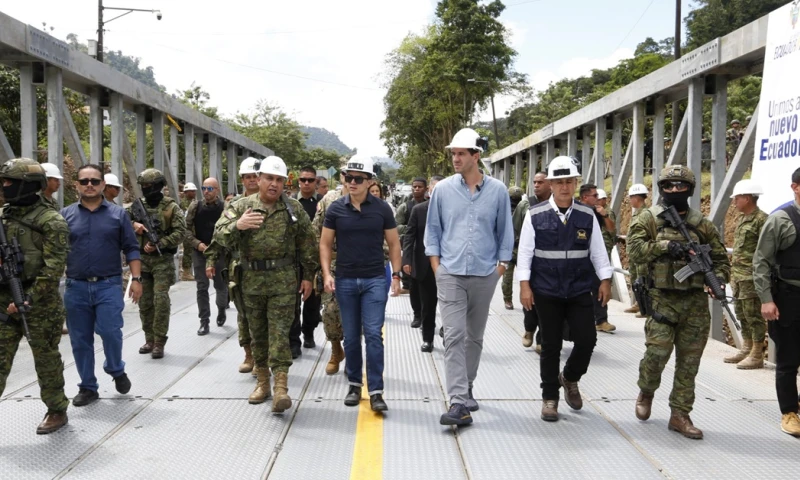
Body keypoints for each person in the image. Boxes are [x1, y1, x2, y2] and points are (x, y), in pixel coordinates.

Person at [628, 165, 730, 439]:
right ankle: (646, 390)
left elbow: (721, 260)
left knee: (689, 363)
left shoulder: (703, 224)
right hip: (662, 299)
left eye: (680, 186)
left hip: (695, 303)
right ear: (661, 189)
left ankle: (680, 414)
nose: (674, 190)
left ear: (690, 189)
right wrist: (665, 247)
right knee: (657, 355)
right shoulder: (648, 219)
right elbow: (635, 253)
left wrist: (717, 279)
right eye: (669, 186)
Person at [213, 156, 317, 412]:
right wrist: (238, 226)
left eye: (279, 180)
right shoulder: (241, 206)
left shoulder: (293, 209)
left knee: (280, 333)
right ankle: (262, 383)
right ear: (258, 179)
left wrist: (308, 276)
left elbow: (307, 242)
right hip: (251, 281)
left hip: (283, 280)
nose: (274, 184)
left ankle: (281, 388)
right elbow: (218, 234)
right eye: (269, 178)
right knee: (258, 333)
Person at [425, 128, 514, 426]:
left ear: (476, 156)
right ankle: (458, 401)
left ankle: (468, 385)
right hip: (450, 272)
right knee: (453, 335)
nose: (455, 158)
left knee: (474, 335)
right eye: (453, 153)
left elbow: (505, 233)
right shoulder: (443, 190)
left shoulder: (499, 191)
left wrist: (499, 269)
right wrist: (437, 267)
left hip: (484, 273)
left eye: (461, 153)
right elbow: (433, 231)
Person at [516, 157, 612, 422]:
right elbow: (525, 253)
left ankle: (569, 377)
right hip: (546, 290)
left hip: (580, 288)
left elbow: (598, 252)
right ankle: (550, 398)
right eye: (559, 182)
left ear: (575, 183)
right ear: (551, 184)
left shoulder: (586, 214)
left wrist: (605, 280)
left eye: (569, 181)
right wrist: (524, 286)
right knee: (550, 345)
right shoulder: (534, 215)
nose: (564, 187)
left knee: (587, 340)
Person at [320, 155, 401, 412]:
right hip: (344, 280)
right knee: (352, 338)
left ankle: (376, 391)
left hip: (375, 279)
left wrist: (396, 275)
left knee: (374, 336)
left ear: (369, 182)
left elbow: (394, 243)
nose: (351, 182)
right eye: (347, 177)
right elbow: (324, 244)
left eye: (357, 179)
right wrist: (326, 274)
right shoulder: (335, 209)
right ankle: (355, 385)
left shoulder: (382, 209)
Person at [61, 164, 143, 407]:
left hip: (108, 285)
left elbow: (131, 248)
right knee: (80, 339)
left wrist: (136, 279)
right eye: (84, 181)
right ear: (76, 185)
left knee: (110, 331)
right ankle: (88, 386)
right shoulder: (65, 215)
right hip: (76, 287)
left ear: (103, 185)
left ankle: (115, 368)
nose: (89, 185)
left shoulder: (118, 215)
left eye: (94, 181)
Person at [0, 158, 70, 434]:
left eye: (10, 182)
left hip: (39, 305)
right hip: (4, 302)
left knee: (46, 359)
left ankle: (56, 410)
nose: (5, 187)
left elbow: (54, 269)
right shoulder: (3, 216)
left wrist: (26, 299)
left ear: (27, 186)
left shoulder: (51, 221)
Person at [753, 167, 800, 437]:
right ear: (795, 187)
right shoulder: (781, 220)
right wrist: (766, 299)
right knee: (788, 360)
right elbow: (761, 261)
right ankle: (789, 412)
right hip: (789, 298)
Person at [205, 157, 261, 373]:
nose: (251, 181)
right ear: (242, 180)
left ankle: (262, 358)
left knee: (263, 316)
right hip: (240, 267)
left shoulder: (271, 201)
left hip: (267, 269)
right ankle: (249, 354)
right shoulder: (234, 205)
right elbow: (219, 234)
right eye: (247, 177)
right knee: (243, 314)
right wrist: (211, 260)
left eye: (255, 176)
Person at [129, 169, 186, 359]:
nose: (146, 190)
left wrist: (159, 244)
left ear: (158, 186)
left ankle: (159, 341)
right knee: (145, 302)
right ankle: (149, 338)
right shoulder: (138, 207)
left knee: (160, 300)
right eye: (143, 186)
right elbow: (120, 221)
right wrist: (133, 225)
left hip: (162, 260)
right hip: (142, 262)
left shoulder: (171, 207)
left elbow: (180, 232)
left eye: (149, 186)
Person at [724, 180, 768, 369]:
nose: (734, 202)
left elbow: (766, 250)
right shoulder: (742, 219)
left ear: (747, 198)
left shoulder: (762, 220)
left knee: (753, 314)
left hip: (752, 277)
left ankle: (757, 353)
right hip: (738, 276)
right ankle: (747, 346)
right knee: (741, 312)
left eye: (737, 198)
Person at [403, 176, 443, 352]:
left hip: (449, 266)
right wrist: (407, 260)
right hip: (424, 266)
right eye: (433, 190)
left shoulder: (453, 211)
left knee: (451, 304)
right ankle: (428, 338)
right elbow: (409, 236)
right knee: (427, 305)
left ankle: (448, 333)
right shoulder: (419, 210)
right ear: (429, 191)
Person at [313, 171, 347, 376]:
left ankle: (353, 356)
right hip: (334, 264)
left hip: (360, 265)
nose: (349, 178)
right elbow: (316, 231)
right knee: (330, 311)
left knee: (357, 317)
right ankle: (336, 350)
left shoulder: (370, 198)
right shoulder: (329, 200)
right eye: (345, 174)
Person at [186, 177, 228, 336]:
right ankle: (204, 321)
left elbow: (229, 229)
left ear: (217, 190)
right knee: (201, 287)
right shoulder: (195, 207)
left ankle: (222, 308)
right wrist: (197, 244)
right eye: (204, 188)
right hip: (200, 252)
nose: (206, 192)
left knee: (220, 285)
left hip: (219, 252)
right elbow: (186, 230)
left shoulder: (225, 207)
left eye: (210, 189)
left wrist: (217, 245)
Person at [289, 166, 323, 355]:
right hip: (293, 260)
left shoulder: (322, 203)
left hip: (314, 260)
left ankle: (308, 333)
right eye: (303, 180)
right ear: (298, 181)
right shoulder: (289, 203)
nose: (306, 183)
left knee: (312, 301)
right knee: (292, 301)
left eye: (310, 180)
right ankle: (294, 341)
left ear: (316, 182)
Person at [516, 172, 551, 351]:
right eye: (534, 182)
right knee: (530, 301)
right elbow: (515, 229)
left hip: (550, 263)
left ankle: (541, 339)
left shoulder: (557, 204)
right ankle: (529, 329)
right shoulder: (526, 204)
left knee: (548, 304)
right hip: (531, 262)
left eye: (540, 182)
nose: (536, 185)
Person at [579, 184, 617, 333]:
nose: (598, 199)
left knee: (599, 285)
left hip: (593, 256)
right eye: (595, 196)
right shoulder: (574, 211)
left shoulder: (597, 212)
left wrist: (604, 215)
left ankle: (601, 320)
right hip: (577, 256)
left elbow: (611, 229)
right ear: (584, 197)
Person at [396, 177, 428, 327]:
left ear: (426, 189)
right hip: (412, 249)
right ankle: (417, 315)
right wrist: (412, 226)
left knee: (428, 287)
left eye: (419, 187)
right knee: (413, 286)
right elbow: (397, 226)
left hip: (428, 251)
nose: (416, 189)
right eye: (414, 187)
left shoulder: (431, 206)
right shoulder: (406, 207)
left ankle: (426, 315)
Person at [624, 183, 649, 316]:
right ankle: (639, 303)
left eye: (631, 197)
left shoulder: (645, 214)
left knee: (642, 279)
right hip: (634, 253)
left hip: (641, 254)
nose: (630, 200)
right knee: (635, 279)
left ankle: (645, 307)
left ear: (637, 198)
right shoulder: (637, 214)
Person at [502, 186, 525, 310]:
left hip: (519, 248)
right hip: (511, 248)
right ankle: (508, 299)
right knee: (509, 277)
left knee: (519, 277)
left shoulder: (525, 208)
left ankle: (511, 300)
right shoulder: (504, 210)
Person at [180, 182, 198, 281]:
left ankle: (189, 271)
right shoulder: (184, 203)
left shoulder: (193, 202)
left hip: (192, 230)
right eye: (192, 191)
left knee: (191, 251)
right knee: (187, 251)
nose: (194, 193)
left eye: (194, 191)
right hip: (187, 230)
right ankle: (186, 272)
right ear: (186, 192)